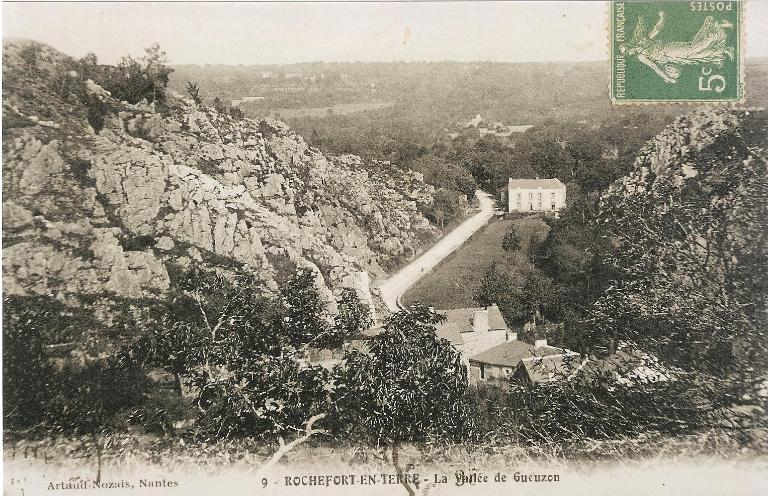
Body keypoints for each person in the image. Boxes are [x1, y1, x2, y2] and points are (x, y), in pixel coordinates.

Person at [621, 12, 735, 84]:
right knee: (695, 53)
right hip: (671, 55)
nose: (628, 54)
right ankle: (724, 48)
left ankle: (714, 31)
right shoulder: (640, 52)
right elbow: (656, 66)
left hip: (669, 50)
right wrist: (668, 77)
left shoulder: (642, 53)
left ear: (628, 46)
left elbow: (655, 67)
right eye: (626, 54)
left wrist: (662, 18)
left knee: (693, 49)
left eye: (626, 51)